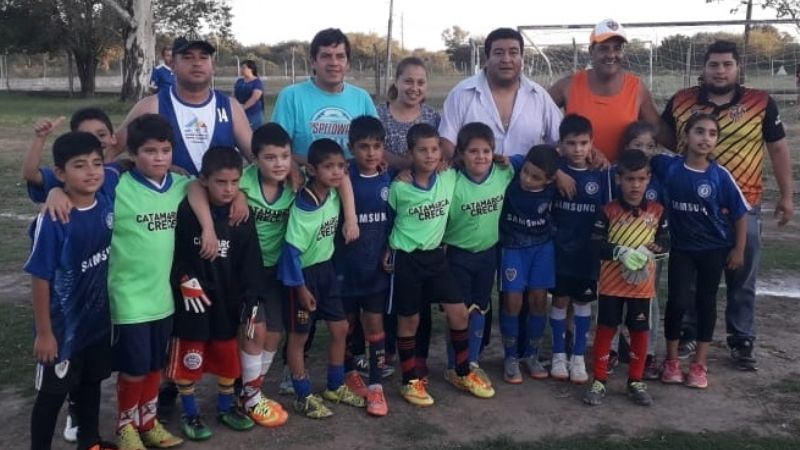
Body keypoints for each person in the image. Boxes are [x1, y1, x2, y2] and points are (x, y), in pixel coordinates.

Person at [660, 40, 794, 370]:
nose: (720, 71)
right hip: (690, 208)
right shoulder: (681, 101)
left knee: (741, 274)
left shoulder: (761, 102)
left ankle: (741, 338)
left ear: (739, 68)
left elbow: (777, 149)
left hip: (743, 204)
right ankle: (689, 333)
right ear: (703, 69)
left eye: (727, 64)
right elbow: (662, 138)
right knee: (689, 277)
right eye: (714, 65)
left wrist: (787, 195)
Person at [166, 147, 269, 440]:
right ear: (204, 181)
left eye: (235, 182)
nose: (228, 189)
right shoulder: (188, 211)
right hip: (192, 301)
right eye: (221, 182)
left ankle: (225, 407)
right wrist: (183, 278)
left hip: (227, 298)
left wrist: (252, 295)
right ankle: (190, 412)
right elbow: (175, 252)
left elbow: (251, 258)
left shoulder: (241, 214)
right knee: (191, 356)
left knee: (227, 357)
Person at [388, 123, 493, 406]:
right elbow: (388, 219)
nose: (430, 155)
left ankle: (460, 371)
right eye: (422, 150)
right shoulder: (399, 185)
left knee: (459, 312)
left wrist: (504, 159)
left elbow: (476, 166)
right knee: (410, 319)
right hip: (407, 258)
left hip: (436, 257)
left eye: (435, 149)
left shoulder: (449, 177)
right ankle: (409, 380)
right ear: (410, 153)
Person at [25, 132, 116, 450]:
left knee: (91, 384)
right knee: (52, 395)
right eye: (80, 165)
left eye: (96, 163)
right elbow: (39, 278)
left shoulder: (105, 200)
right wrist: (44, 333)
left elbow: (130, 160)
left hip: (96, 322)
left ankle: (90, 441)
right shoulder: (53, 219)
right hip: (62, 330)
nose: (91, 171)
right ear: (60, 174)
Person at [654, 113, 749, 389]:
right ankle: (671, 361)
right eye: (699, 131)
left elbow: (741, 213)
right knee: (678, 301)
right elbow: (638, 157)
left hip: (714, 249)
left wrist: (739, 249)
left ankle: (699, 364)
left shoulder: (719, 176)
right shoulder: (668, 167)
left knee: (706, 303)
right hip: (682, 249)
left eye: (711, 133)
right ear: (686, 136)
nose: (705, 138)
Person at [278, 138, 366, 419]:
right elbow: (290, 253)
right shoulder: (305, 205)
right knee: (299, 337)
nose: (337, 172)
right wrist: (300, 288)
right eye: (329, 167)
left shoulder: (333, 193)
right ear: (313, 170)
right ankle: (302, 394)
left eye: (341, 166)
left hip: (326, 270)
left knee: (340, 329)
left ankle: (334, 385)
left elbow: (345, 186)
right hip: (301, 277)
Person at [583, 149, 669, 407]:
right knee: (606, 329)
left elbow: (665, 244)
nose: (635, 185)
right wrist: (619, 251)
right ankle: (598, 380)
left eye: (641, 179)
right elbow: (595, 245)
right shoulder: (607, 211)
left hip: (642, 288)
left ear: (649, 179)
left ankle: (636, 380)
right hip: (611, 285)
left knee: (640, 331)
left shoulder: (657, 211)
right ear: (619, 179)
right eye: (630, 179)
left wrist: (658, 250)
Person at [112, 36, 253, 176]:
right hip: (168, 197)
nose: (197, 63)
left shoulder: (230, 107)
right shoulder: (151, 106)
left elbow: (256, 158)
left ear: (213, 66)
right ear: (173, 64)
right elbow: (110, 151)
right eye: (187, 57)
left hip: (218, 197)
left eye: (203, 57)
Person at [441, 122, 513, 391]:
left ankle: (471, 362)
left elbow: (530, 165)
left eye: (486, 151)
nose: (480, 156)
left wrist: (506, 159)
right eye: (473, 151)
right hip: (458, 255)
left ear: (494, 153)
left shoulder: (504, 172)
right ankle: (452, 365)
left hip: (488, 254)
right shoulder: (451, 180)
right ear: (460, 154)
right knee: (458, 312)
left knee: (480, 308)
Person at [335, 116, 392, 417]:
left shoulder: (390, 178)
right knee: (345, 326)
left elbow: (397, 217)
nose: (371, 153)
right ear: (351, 148)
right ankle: (347, 373)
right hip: (345, 268)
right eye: (364, 147)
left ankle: (377, 386)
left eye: (377, 146)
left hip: (375, 269)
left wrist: (389, 248)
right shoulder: (343, 176)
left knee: (375, 326)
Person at [236, 123, 293, 427]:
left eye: (284, 156)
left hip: (277, 270)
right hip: (247, 270)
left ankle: (251, 391)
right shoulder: (242, 184)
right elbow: (200, 186)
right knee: (253, 330)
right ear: (254, 159)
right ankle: (249, 397)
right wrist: (237, 197)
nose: (279, 163)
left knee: (274, 333)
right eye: (270, 158)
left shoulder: (296, 184)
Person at [548, 19, 661, 163]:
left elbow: (658, 127)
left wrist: (687, 149)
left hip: (623, 178)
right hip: (577, 176)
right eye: (604, 48)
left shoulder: (636, 87)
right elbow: (536, 119)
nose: (611, 55)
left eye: (617, 48)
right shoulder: (568, 85)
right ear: (591, 51)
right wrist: (558, 149)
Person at [550, 114, 610, 384]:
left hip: (588, 253)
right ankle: (558, 354)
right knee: (560, 301)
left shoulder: (602, 174)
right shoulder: (554, 172)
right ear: (560, 145)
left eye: (583, 143)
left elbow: (609, 212)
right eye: (571, 143)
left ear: (592, 144)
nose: (577, 149)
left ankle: (577, 357)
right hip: (560, 252)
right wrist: (554, 169)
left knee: (584, 302)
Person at [440, 28, 562, 158]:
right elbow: (447, 141)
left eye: (513, 52)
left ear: (522, 58)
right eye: (498, 53)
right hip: (473, 178)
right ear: (487, 58)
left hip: (528, 177)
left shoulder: (539, 96)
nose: (506, 59)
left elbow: (561, 141)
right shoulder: (461, 94)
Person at [498, 144, 560, 383]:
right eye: (526, 172)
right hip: (513, 247)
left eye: (536, 178)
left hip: (542, 248)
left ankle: (531, 355)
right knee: (512, 301)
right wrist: (512, 161)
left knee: (538, 300)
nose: (527, 179)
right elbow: (513, 159)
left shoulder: (554, 185)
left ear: (549, 180)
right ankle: (511, 357)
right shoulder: (513, 175)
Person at [272, 28, 378, 162]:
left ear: (348, 63)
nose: (334, 63)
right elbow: (275, 148)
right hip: (305, 180)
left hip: (353, 180)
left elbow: (376, 144)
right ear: (313, 62)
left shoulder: (362, 98)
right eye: (326, 56)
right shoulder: (291, 96)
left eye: (340, 56)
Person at [609, 121, 664, 380]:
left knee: (649, 301)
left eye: (650, 146)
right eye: (638, 145)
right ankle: (611, 350)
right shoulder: (615, 175)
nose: (645, 150)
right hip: (617, 255)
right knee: (612, 301)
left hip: (647, 255)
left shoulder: (658, 177)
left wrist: (657, 246)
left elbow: (663, 223)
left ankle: (648, 353)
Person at [377, 56, 441, 167]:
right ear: (396, 82)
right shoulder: (378, 115)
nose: (414, 88)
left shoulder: (432, 117)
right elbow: (371, 149)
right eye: (408, 81)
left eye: (420, 83)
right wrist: (404, 165)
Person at [233, 60, 265, 130]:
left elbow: (254, 98)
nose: (241, 70)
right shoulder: (239, 81)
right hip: (239, 114)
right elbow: (234, 95)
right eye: (241, 68)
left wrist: (242, 108)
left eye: (244, 68)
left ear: (251, 69)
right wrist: (235, 106)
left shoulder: (257, 82)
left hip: (253, 114)